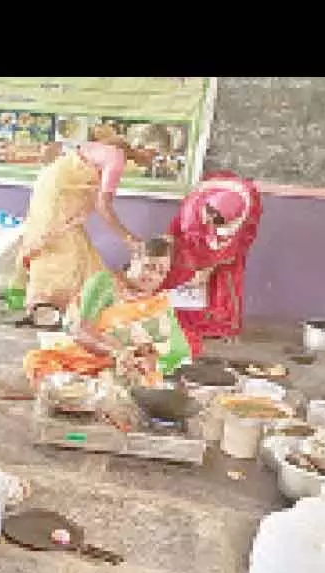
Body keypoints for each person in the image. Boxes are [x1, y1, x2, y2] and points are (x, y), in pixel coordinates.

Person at [23, 235, 192, 389]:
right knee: (39, 362)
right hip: (91, 356)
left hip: (131, 368)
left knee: (146, 383)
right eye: (148, 266)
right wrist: (117, 352)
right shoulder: (104, 283)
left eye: (161, 272)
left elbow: (177, 349)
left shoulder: (159, 303)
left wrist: (149, 361)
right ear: (134, 259)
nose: (153, 276)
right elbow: (80, 329)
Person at [15, 123, 145, 320]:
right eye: (157, 156)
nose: (155, 161)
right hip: (57, 197)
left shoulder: (110, 152)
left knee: (75, 246)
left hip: (52, 189)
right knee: (59, 246)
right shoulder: (116, 157)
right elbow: (104, 206)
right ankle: (47, 305)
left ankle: (59, 305)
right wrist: (129, 239)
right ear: (149, 149)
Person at [160, 171, 262, 354]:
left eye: (216, 221)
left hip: (228, 246)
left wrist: (208, 269)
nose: (209, 222)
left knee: (223, 279)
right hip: (193, 232)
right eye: (209, 215)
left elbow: (231, 250)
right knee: (184, 269)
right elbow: (180, 234)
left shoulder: (241, 219)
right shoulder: (193, 208)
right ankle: (180, 320)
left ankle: (217, 325)